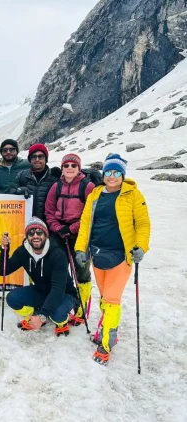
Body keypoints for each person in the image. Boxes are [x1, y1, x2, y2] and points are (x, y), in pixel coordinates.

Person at [75, 153, 151, 366]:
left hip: (120, 256)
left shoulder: (133, 195)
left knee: (111, 300)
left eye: (117, 172)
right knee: (104, 297)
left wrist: (141, 247)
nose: (112, 176)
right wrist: (81, 249)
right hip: (98, 255)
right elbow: (85, 223)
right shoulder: (96, 194)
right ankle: (107, 329)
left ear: (123, 174)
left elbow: (143, 224)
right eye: (108, 171)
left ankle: (106, 344)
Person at [0, 217, 77, 336]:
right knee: (12, 298)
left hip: (64, 294)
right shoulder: (23, 252)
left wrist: (42, 316)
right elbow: (3, 271)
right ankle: (34, 316)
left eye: (39, 232)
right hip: (41, 291)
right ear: (27, 236)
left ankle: (62, 321)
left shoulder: (57, 254)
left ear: (45, 235)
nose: (35, 236)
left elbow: (58, 289)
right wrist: (4, 250)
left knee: (57, 315)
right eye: (31, 233)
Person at [45, 153, 95, 326]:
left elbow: (90, 214)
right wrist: (58, 228)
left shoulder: (87, 187)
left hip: (80, 234)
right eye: (66, 165)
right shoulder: (56, 187)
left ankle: (81, 310)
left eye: (74, 165)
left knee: (81, 271)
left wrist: (72, 228)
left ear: (79, 168)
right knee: (58, 269)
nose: (70, 168)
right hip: (59, 233)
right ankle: (61, 302)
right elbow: (49, 210)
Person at [9, 144, 61, 222]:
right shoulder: (22, 175)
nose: (37, 159)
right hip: (25, 223)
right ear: (30, 160)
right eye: (33, 157)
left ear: (45, 159)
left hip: (48, 225)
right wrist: (18, 192)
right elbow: (10, 196)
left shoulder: (54, 177)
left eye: (40, 156)